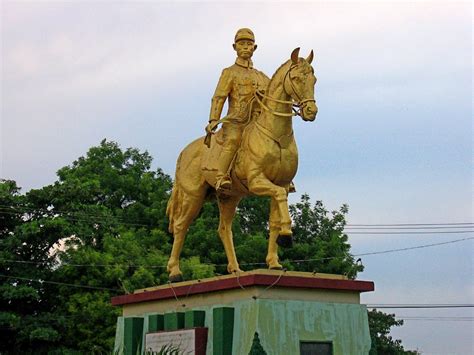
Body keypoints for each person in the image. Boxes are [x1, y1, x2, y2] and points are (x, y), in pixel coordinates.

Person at [205, 28, 270, 193]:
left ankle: (281, 176)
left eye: (249, 44)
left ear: (254, 48)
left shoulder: (261, 76)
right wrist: (213, 119)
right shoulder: (229, 72)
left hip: (256, 122)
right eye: (242, 44)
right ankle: (221, 177)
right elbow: (219, 97)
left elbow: (274, 94)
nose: (246, 47)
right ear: (235, 47)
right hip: (236, 121)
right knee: (233, 140)